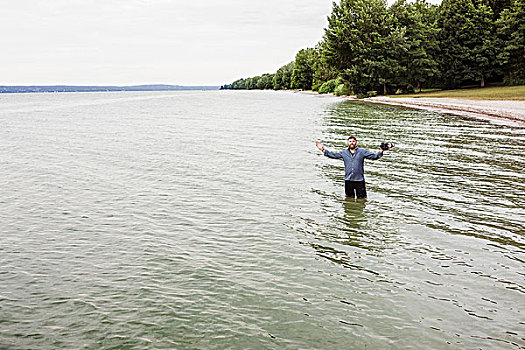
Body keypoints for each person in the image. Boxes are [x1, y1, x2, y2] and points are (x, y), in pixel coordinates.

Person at [316, 136, 389, 199]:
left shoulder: (362, 152)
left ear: (356, 142)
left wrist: (382, 150)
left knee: (362, 199)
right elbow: (333, 155)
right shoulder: (344, 153)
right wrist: (322, 150)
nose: (352, 142)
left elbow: (374, 157)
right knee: (349, 199)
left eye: (353, 141)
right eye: (350, 141)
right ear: (347, 143)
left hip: (359, 180)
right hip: (348, 180)